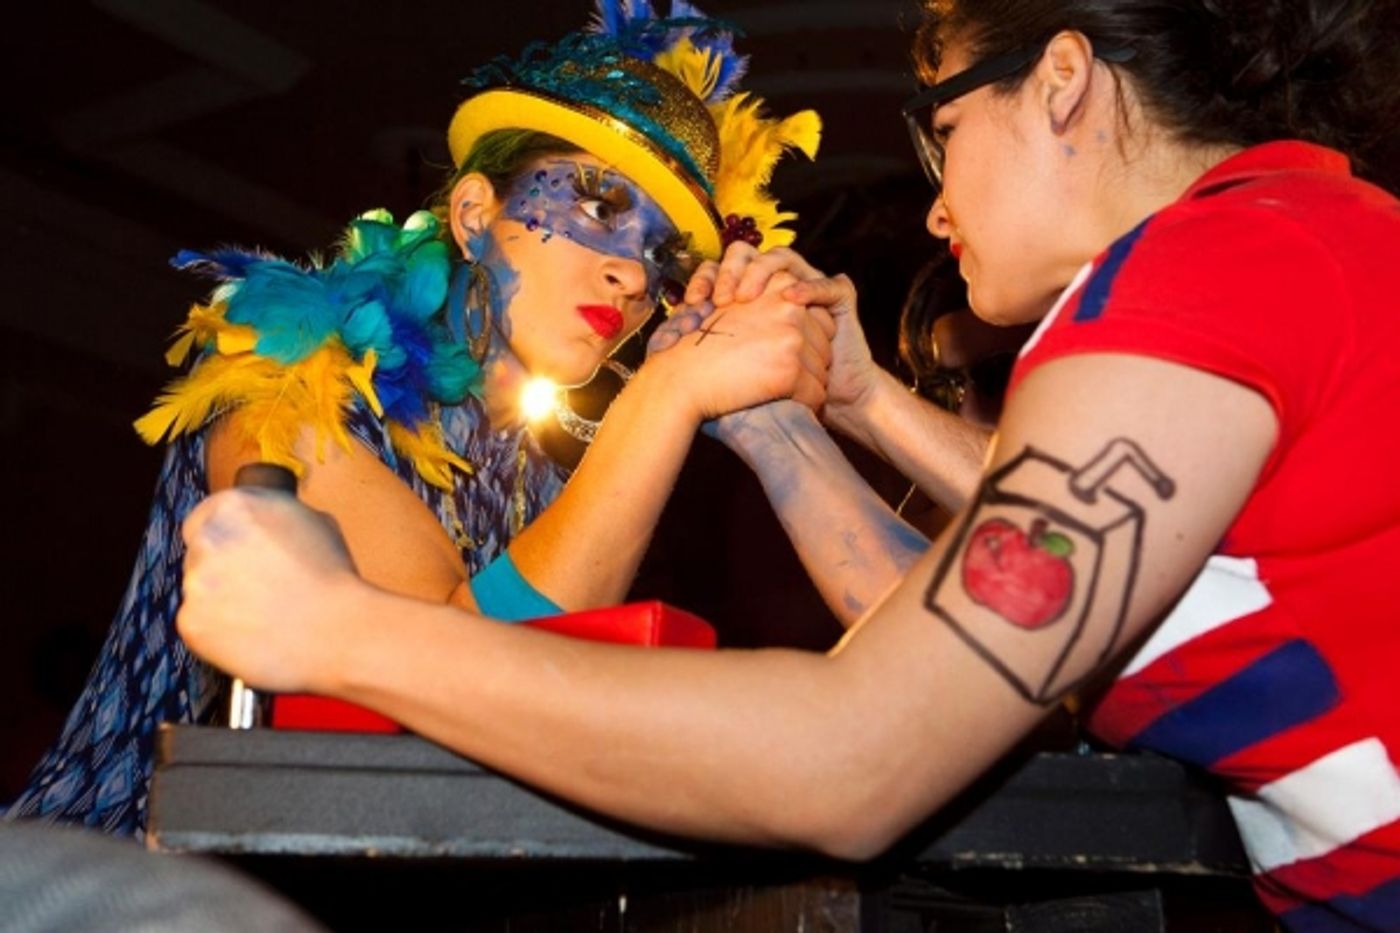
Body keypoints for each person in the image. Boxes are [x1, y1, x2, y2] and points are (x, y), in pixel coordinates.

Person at [177, 0, 1400, 927]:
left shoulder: (1210, 270)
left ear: (1063, 81)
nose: (932, 208)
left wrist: (336, 628)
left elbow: (860, 757)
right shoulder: (1283, 239)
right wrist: (806, 415)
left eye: (942, 133)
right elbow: (964, 630)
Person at [7, 1, 829, 838]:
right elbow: (467, 687)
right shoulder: (295, 392)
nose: (630, 273)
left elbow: (554, 741)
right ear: (474, 215)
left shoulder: (544, 472)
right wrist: (666, 397)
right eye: (597, 205)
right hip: (110, 887)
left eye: (660, 254)